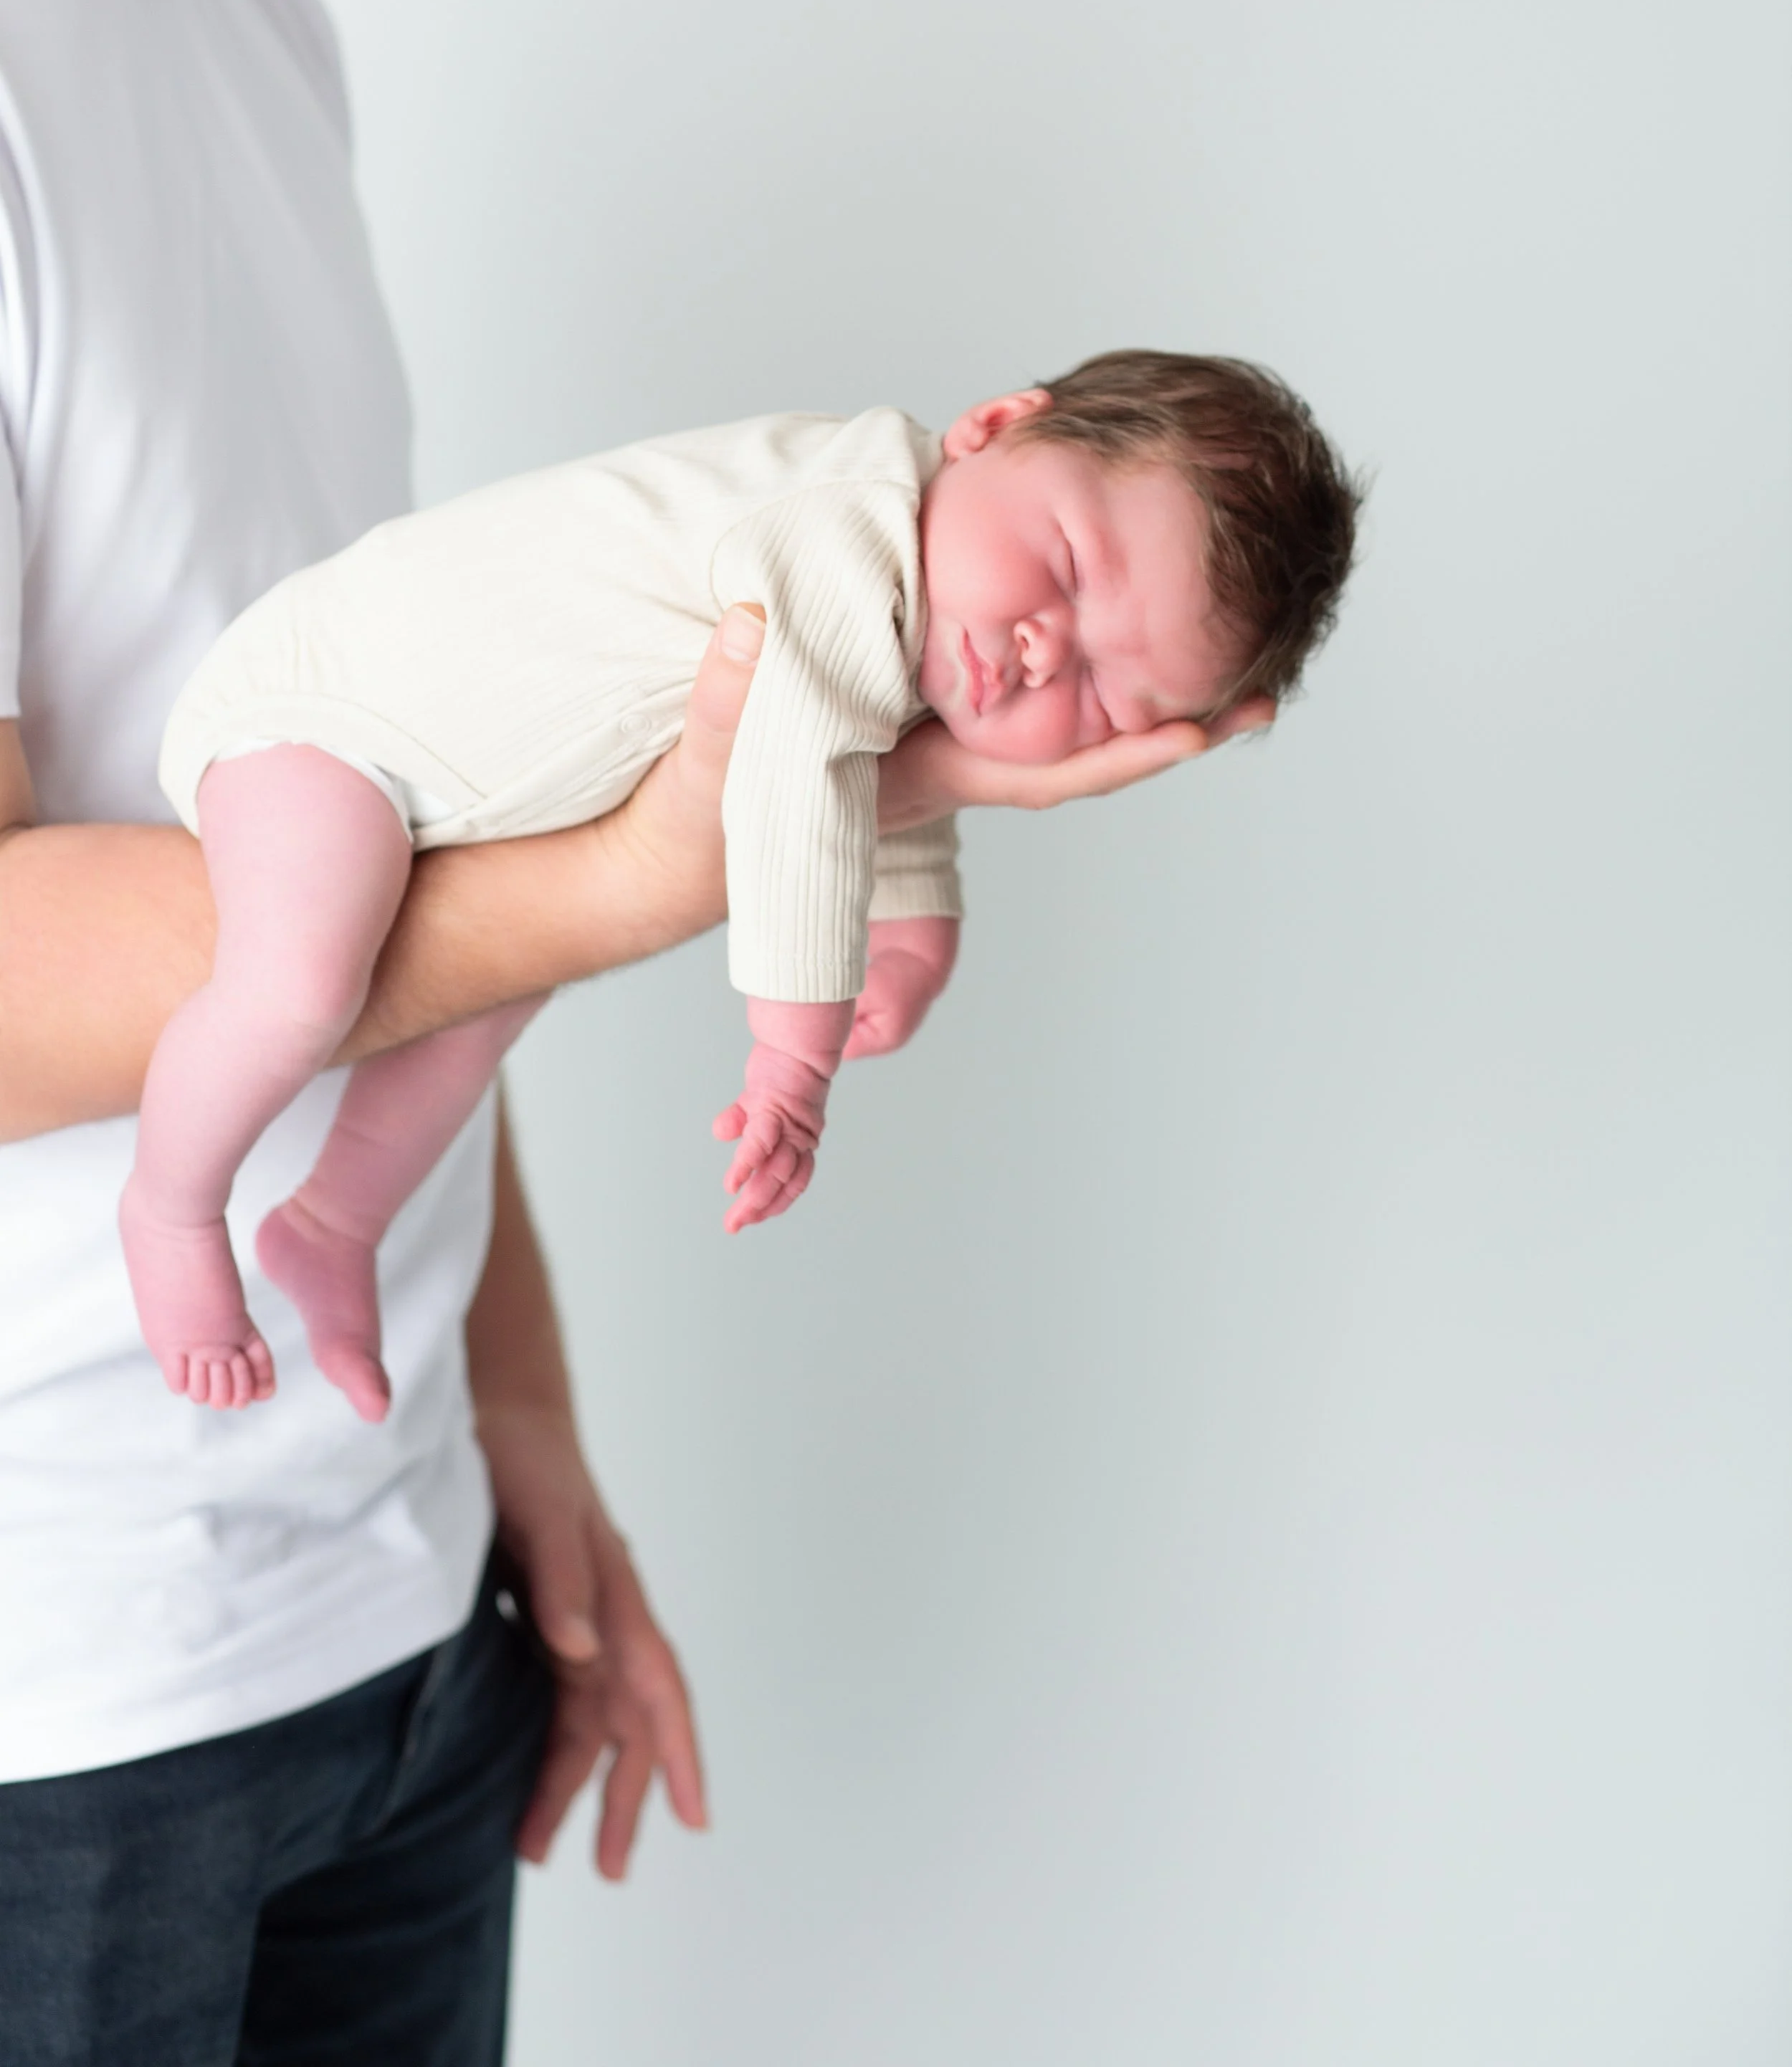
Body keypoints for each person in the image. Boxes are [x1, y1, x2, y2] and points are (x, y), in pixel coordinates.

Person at [0, 0, 1272, 2060]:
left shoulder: (244, 0)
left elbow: (425, 749)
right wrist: (664, 875)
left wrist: (517, 1408)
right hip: (55, 1717)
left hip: (397, 1610)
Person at [125, 360, 1356, 1418]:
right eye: (1068, 563)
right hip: (319, 719)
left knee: (498, 991)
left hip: (446, 791)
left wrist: (916, 925)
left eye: (1102, 696)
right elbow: (804, 778)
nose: (1039, 652)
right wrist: (792, 1058)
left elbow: (881, 731)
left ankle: (333, 1224)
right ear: (992, 425)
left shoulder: (922, 592)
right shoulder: (842, 529)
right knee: (296, 985)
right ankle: (173, 1209)